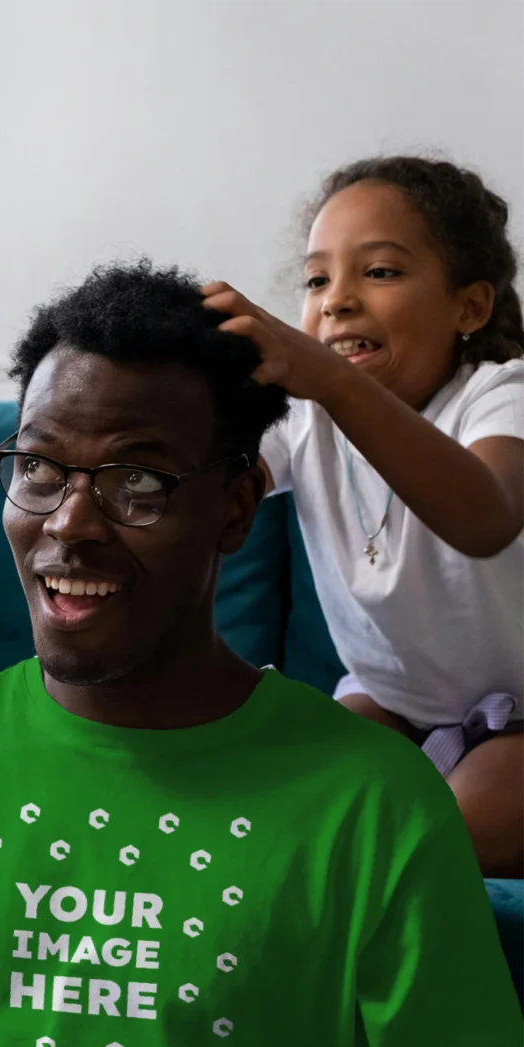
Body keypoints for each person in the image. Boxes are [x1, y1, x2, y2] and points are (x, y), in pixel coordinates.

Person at [0, 260, 524, 1047]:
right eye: (40, 467)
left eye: (138, 482)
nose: (71, 522)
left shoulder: (375, 802)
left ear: (237, 508)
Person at [202, 156, 524, 880]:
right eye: (317, 280)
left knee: (443, 845)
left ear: (468, 308)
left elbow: (487, 518)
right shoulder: (303, 416)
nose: (336, 300)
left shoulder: (501, 394)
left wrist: (330, 380)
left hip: (521, 719)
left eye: (378, 272)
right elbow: (218, 487)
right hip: (393, 702)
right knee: (279, 814)